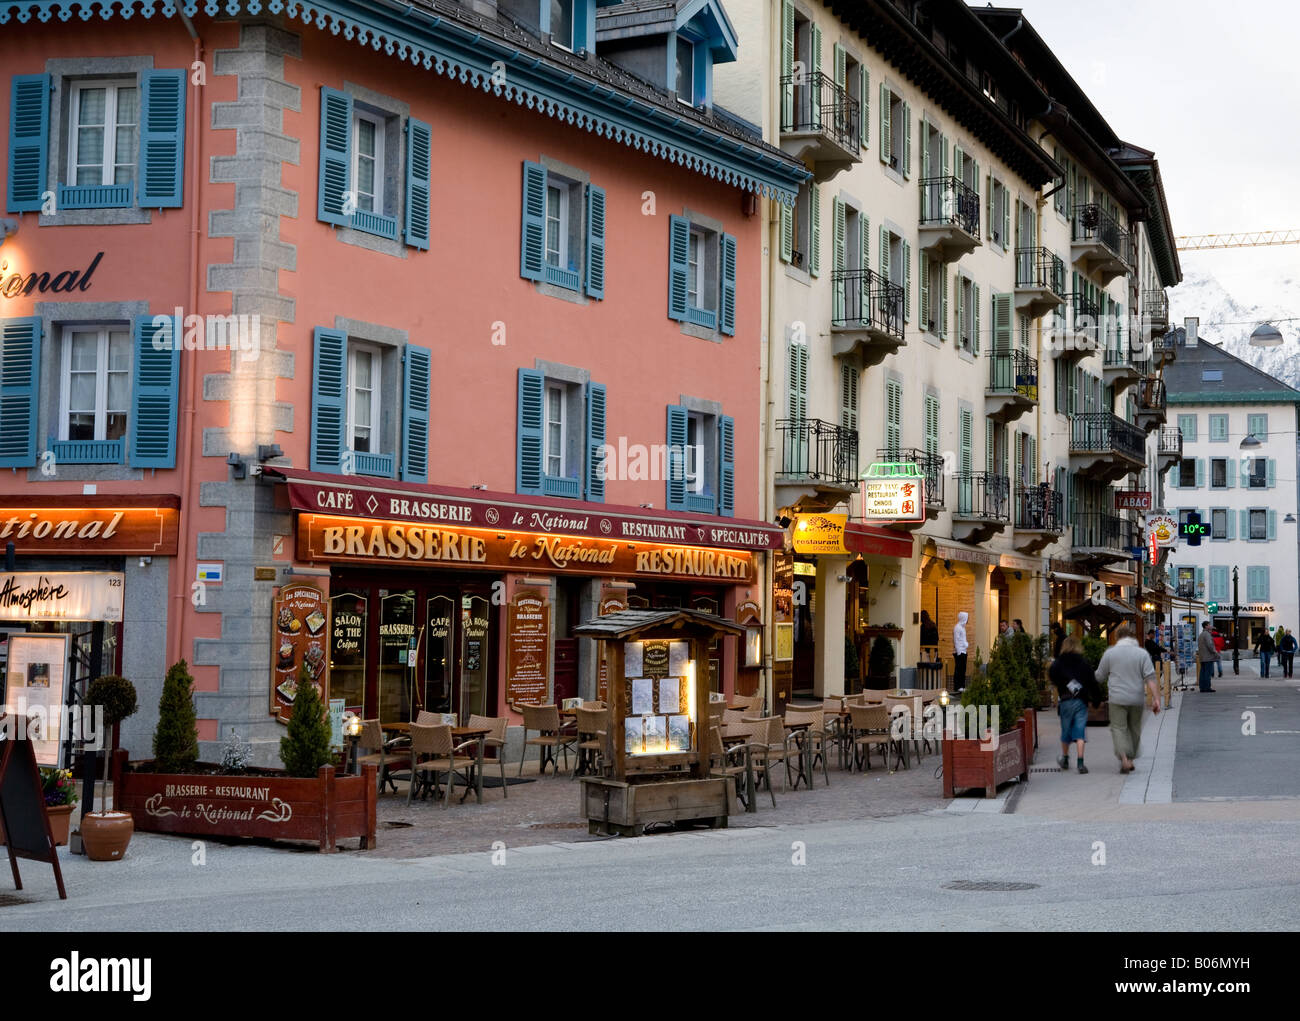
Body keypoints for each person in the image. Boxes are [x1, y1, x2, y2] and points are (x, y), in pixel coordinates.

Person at [1095, 623, 1161, 773]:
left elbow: (1099, 676)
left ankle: (1124, 757)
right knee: (1134, 729)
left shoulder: (1110, 653)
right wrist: (1157, 699)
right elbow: (1150, 677)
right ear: (1132, 637)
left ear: (1117, 637)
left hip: (1117, 698)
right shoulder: (1142, 654)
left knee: (1118, 728)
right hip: (1136, 699)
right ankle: (1130, 759)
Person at [1050, 634, 1102, 773]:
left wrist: (1061, 684)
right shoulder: (1083, 662)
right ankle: (1080, 762)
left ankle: (1065, 759)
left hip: (1066, 700)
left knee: (1065, 731)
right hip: (1081, 701)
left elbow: (1052, 674)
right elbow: (1092, 681)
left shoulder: (1059, 662)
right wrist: (1096, 699)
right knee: (1080, 732)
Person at [1144, 632, 1171, 710]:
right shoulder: (1148, 642)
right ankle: (1154, 688)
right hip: (1155, 658)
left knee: (1159, 672)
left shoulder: (1150, 641)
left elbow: (1157, 647)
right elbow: (1156, 648)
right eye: (1153, 635)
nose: (1154, 636)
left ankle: (1155, 687)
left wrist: (1163, 650)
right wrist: (1165, 650)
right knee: (1157, 672)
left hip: (1156, 657)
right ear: (1150, 634)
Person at [1196, 621, 1218, 693]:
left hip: (1202, 656)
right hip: (1208, 656)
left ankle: (1202, 687)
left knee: (1202, 672)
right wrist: (1214, 652)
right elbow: (1210, 645)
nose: (1210, 625)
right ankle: (1207, 687)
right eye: (1209, 625)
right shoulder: (1207, 635)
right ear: (1206, 626)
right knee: (1207, 673)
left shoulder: (1201, 634)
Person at [953, 611, 969, 690]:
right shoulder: (957, 627)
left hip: (964, 651)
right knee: (958, 669)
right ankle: (957, 686)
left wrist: (965, 645)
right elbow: (956, 640)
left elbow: (962, 639)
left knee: (963, 669)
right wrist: (959, 652)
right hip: (960, 652)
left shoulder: (962, 627)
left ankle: (962, 686)